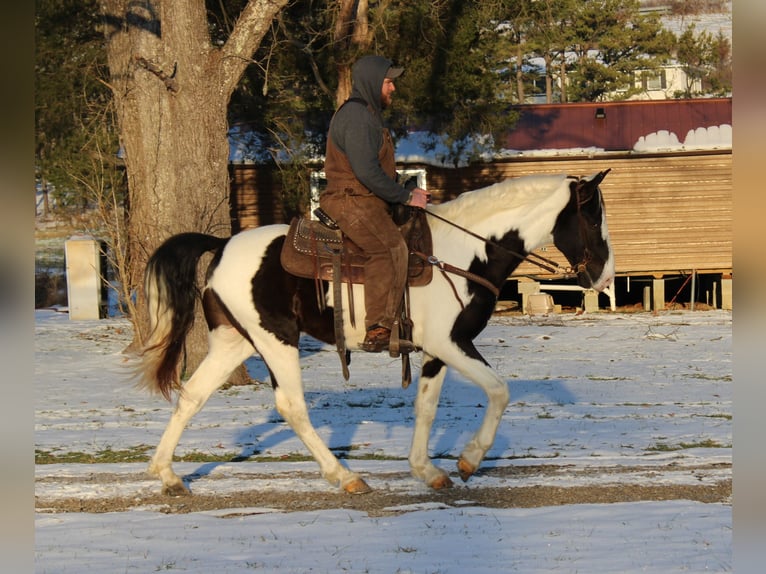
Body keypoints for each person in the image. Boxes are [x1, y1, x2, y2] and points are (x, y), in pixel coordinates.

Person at [320, 55, 430, 353]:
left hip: (364, 198)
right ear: (372, 81)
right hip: (351, 200)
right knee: (389, 248)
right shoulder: (357, 117)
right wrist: (407, 196)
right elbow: (366, 172)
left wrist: (399, 187)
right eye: (388, 81)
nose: (393, 88)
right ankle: (378, 328)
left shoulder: (367, 115)